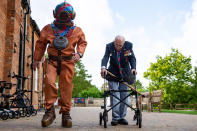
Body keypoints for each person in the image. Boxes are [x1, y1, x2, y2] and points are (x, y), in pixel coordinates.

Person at [33, 2, 87, 128]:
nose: (63, 20)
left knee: (66, 86)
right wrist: (36, 59)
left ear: (71, 16)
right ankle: (50, 111)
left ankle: (66, 113)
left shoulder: (77, 30)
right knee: (49, 82)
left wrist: (79, 53)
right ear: (55, 15)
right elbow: (40, 44)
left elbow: (83, 42)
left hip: (68, 61)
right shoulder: (48, 28)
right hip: (51, 61)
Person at [101, 35, 136, 126]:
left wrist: (133, 68)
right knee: (115, 95)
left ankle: (122, 117)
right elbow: (105, 57)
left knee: (124, 95)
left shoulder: (128, 46)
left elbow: (132, 58)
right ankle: (115, 118)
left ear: (123, 44)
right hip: (112, 73)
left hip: (125, 74)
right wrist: (103, 67)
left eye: (120, 45)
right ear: (114, 42)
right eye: (116, 44)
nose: (118, 47)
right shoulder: (109, 46)